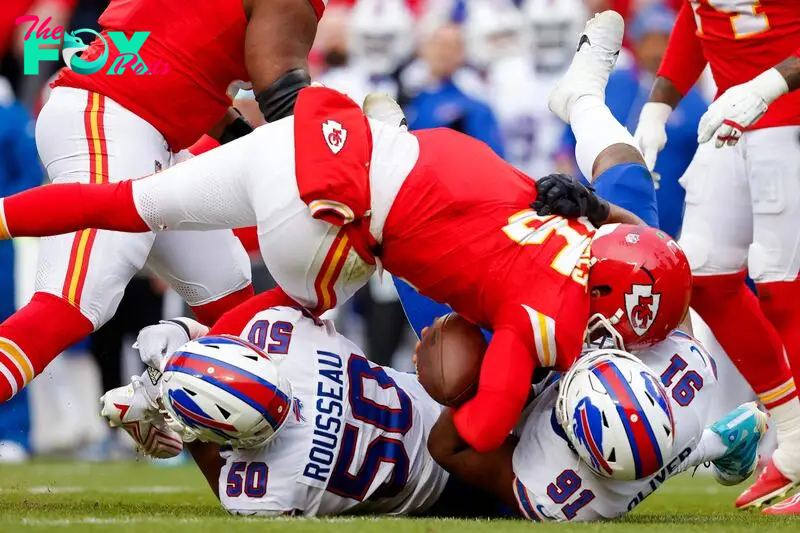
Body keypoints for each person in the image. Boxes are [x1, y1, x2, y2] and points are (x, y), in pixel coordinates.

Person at [0, 11, 692, 461]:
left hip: (245, 141)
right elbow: (275, 86)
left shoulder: (568, 221)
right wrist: (444, 449)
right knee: (83, 297)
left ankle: (164, 382)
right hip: (265, 170)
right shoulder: (553, 312)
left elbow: (165, 64)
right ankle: (163, 382)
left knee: (224, 303)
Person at [0, 0, 328, 406]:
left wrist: (249, 144)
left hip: (138, 126)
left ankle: (227, 438)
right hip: (113, 116)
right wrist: (342, 156)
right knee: (74, 302)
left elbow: (176, 68)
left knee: (231, 302)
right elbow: (283, 96)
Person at [631, 0, 800, 511]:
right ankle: (793, 442)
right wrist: (658, 106)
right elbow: (699, 12)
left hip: (788, 115)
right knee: (703, 277)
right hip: (731, 116)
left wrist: (767, 85)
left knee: (782, 287)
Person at [101, 307, 499, 517]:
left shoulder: (270, 490)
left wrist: (175, 420)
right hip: (445, 401)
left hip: (448, 489)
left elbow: (222, 477)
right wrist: (189, 332)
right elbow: (244, 333)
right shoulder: (286, 332)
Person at [426, 324, 768, 522]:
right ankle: (717, 444)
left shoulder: (557, 495)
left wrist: (483, 377)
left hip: (606, 473)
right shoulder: (690, 368)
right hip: (676, 429)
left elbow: (444, 447)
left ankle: (716, 443)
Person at [559, 4, 706, 238]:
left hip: (666, 226)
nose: (657, 51)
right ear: (636, 43)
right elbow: (567, 144)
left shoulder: (693, 101)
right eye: (650, 40)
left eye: (664, 41)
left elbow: (703, 170)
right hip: (593, 214)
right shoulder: (608, 84)